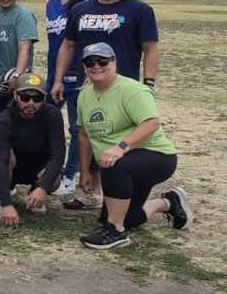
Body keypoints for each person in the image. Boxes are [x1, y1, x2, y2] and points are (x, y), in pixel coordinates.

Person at [75, 43, 190, 250]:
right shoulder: (84, 95)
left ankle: (116, 233)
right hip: (120, 164)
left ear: (114, 62)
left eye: (103, 61)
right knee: (125, 218)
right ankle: (168, 203)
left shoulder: (132, 89)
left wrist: (121, 147)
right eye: (90, 62)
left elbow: (151, 123)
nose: (96, 66)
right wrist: (84, 172)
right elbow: (83, 136)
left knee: (113, 167)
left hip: (156, 157)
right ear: (83, 66)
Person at [53, 0, 159, 100]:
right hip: (85, 88)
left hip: (124, 89)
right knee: (79, 123)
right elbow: (68, 46)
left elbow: (150, 48)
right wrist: (58, 81)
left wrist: (148, 84)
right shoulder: (79, 10)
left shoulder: (140, 10)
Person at [44, 0, 99, 196]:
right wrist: (55, 76)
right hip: (56, 71)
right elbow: (57, 42)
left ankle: (71, 173)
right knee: (47, 121)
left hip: (83, 73)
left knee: (78, 128)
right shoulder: (51, 0)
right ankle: (50, 170)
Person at [0, 73, 65, 227]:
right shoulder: (4, 119)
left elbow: (58, 154)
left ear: (43, 98)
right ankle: (2, 197)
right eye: (25, 97)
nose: (30, 103)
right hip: (13, 166)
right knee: (5, 158)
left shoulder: (53, 115)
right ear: (15, 95)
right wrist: (6, 203)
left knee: (55, 179)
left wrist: (43, 187)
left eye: (37, 98)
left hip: (39, 167)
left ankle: (35, 193)